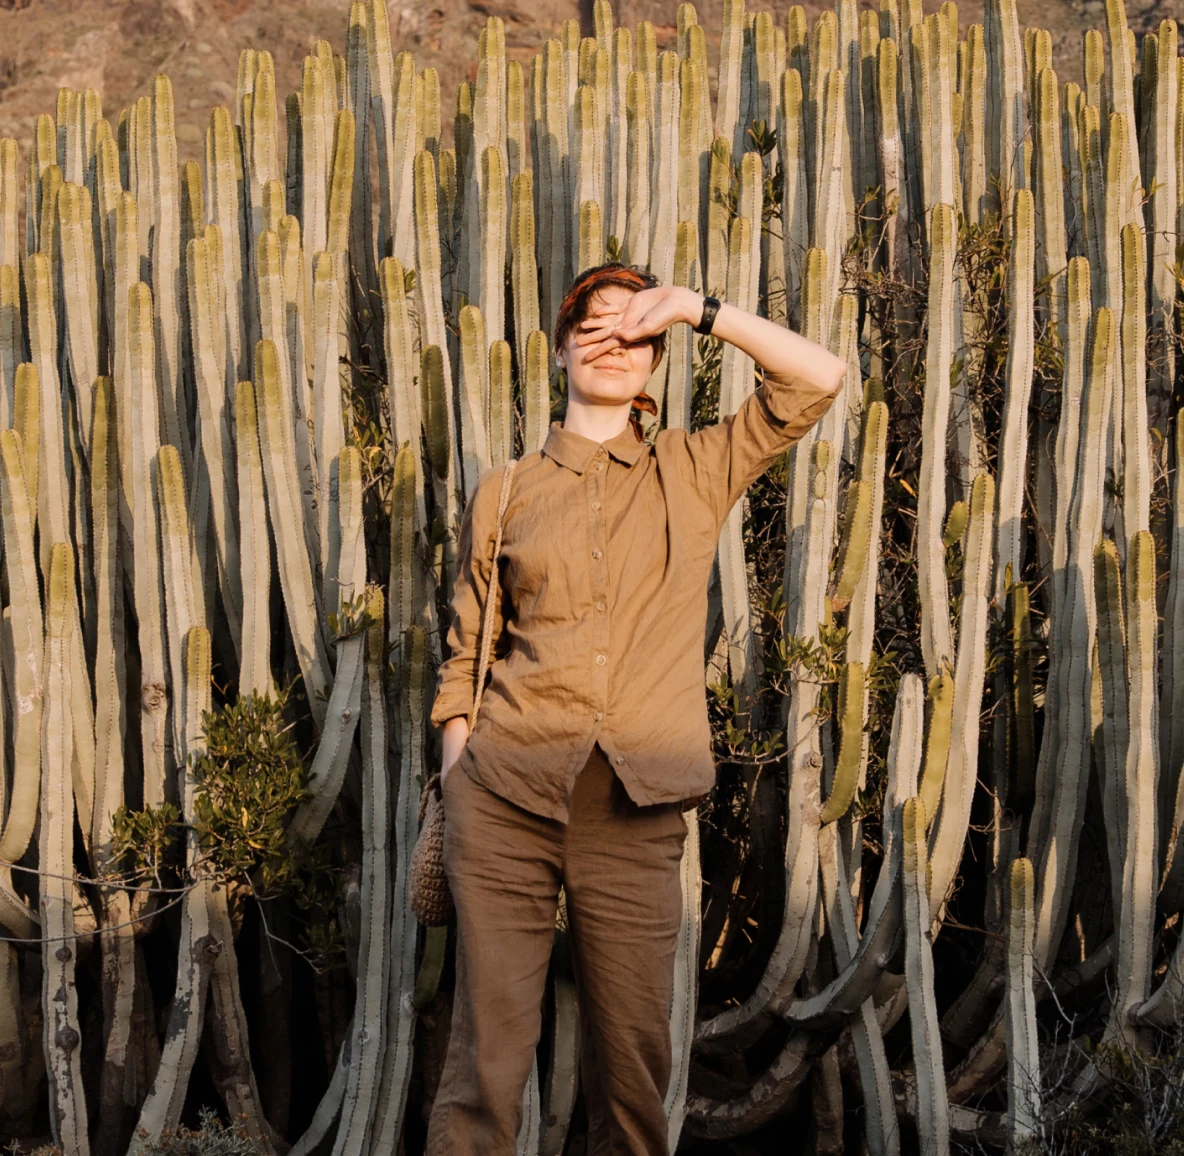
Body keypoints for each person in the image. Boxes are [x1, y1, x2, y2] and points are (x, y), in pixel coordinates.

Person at [426, 263, 846, 1155]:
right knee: (486, 1069)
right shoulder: (504, 492)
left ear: (658, 358)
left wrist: (698, 308)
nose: (615, 342)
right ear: (561, 344)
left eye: (637, 330)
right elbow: (468, 652)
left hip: (636, 808)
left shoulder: (693, 470)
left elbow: (819, 378)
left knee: (633, 1068)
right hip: (504, 799)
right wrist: (458, 779)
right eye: (595, 324)